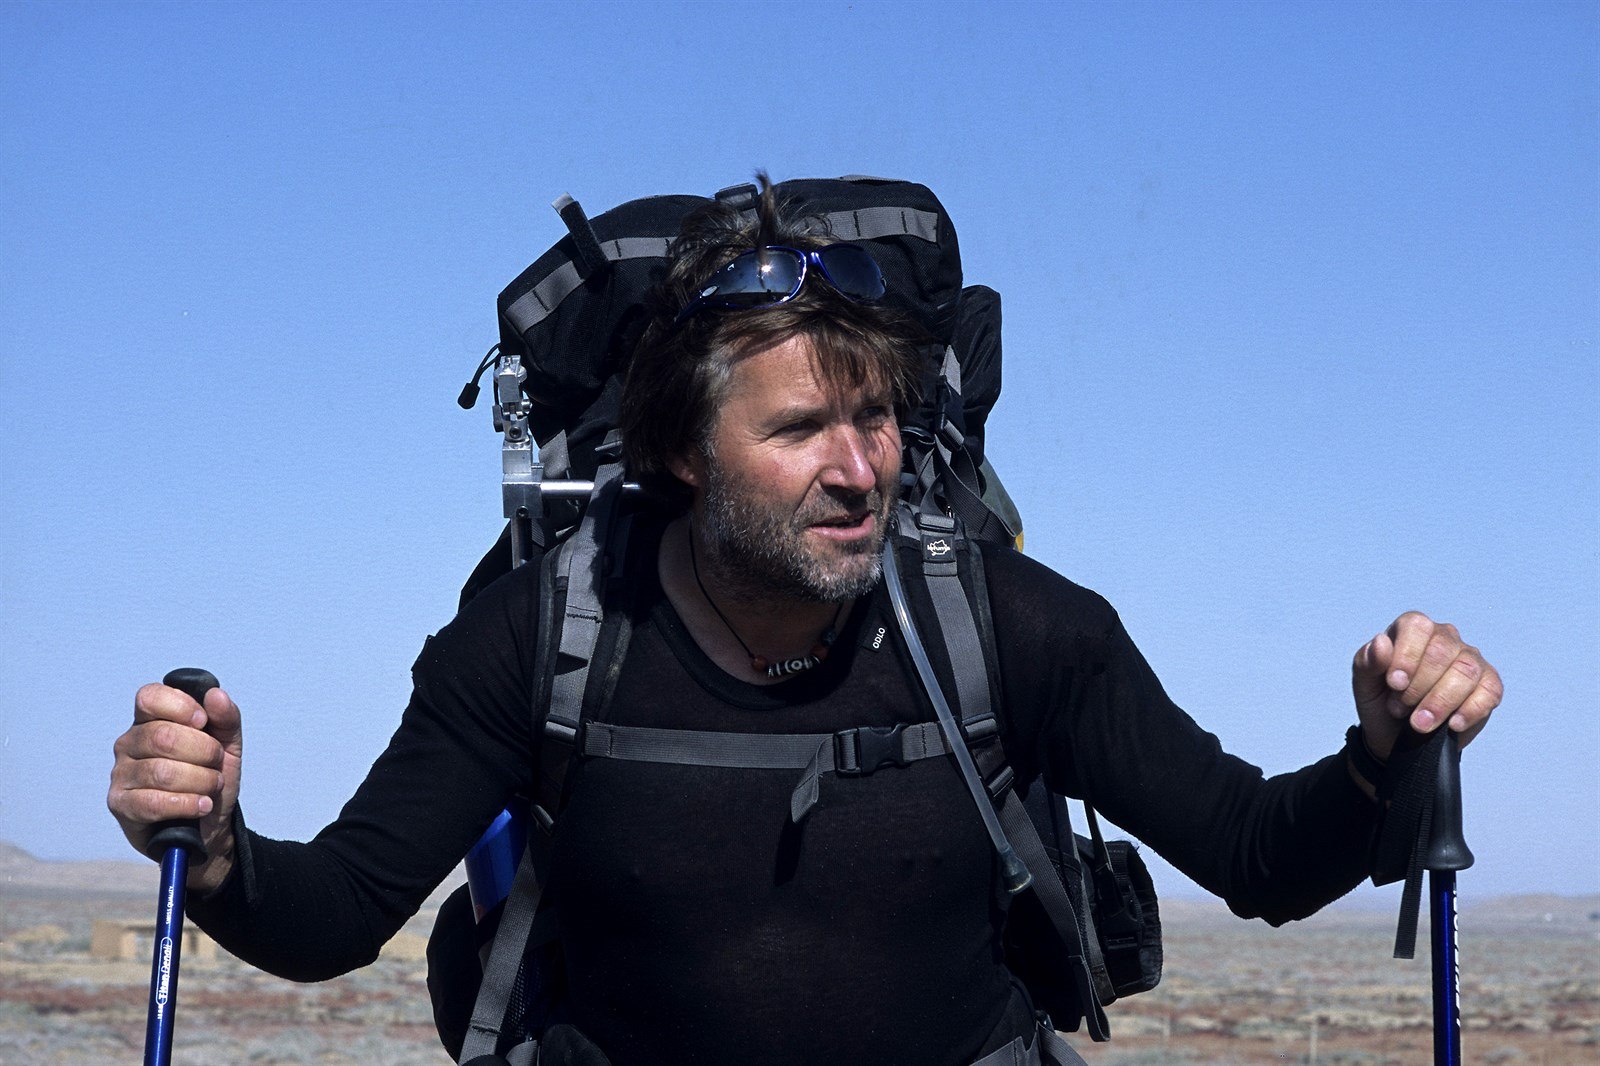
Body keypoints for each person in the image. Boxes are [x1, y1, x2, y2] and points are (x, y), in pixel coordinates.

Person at [107, 180, 1503, 1066]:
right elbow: (335, 911)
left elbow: (1261, 854)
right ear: (680, 453)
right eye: (799, 429)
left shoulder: (1008, 626)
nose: (860, 467)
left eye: (877, 416)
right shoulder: (542, 637)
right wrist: (215, 846)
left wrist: (1381, 755)